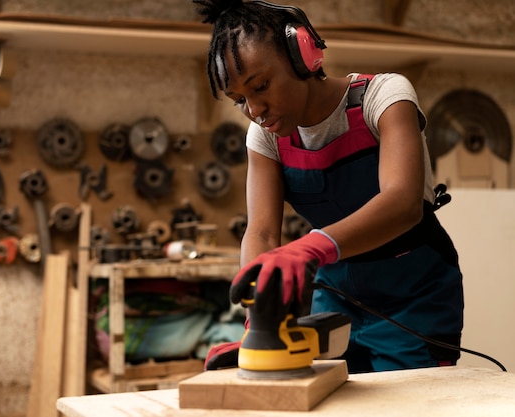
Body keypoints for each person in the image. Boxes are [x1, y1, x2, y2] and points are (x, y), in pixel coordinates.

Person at [193, 0, 464, 373]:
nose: (255, 110)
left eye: (261, 86)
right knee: (332, 396)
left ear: (303, 55)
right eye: (240, 100)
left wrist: (309, 248)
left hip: (413, 292)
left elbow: (403, 203)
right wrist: (261, 321)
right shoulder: (265, 138)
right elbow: (261, 231)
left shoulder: (383, 97)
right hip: (336, 293)